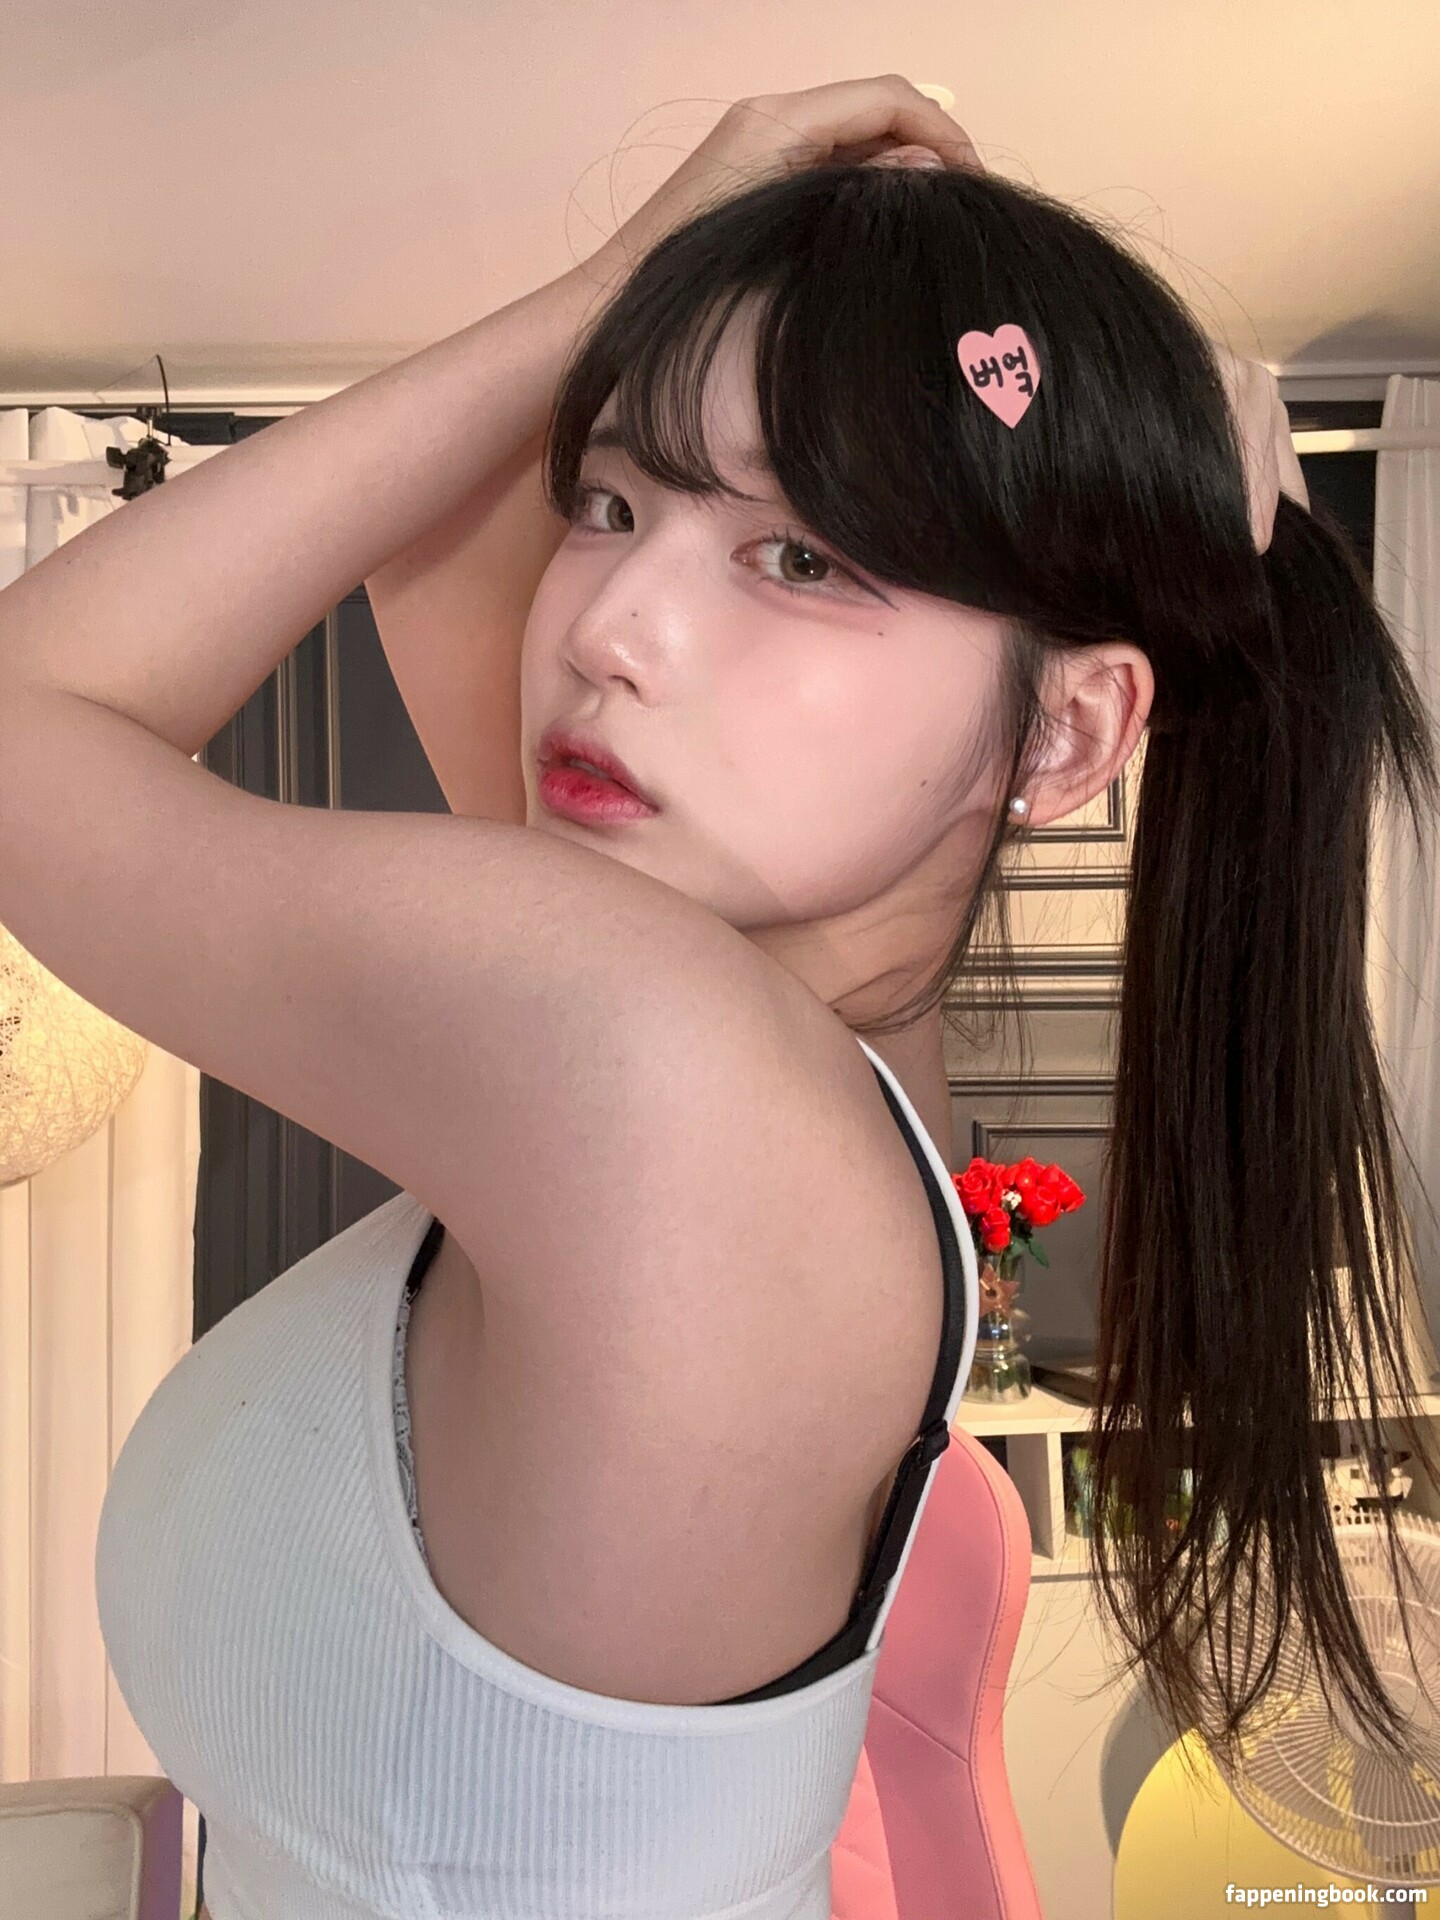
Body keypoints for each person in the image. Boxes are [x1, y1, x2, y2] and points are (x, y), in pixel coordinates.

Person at [0, 74, 1432, 1919]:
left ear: (1072, 731)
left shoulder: (664, 1073)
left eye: (802, 557)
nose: (608, 628)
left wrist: (623, 272)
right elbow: (442, 543)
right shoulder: (787, 1057)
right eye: (611, 502)